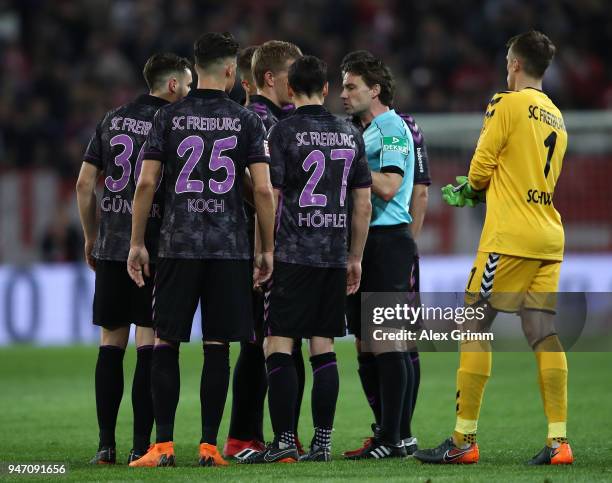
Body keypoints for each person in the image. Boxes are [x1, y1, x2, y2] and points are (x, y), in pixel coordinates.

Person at [413, 30, 573, 466]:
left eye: (508, 61)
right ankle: (559, 441)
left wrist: (472, 187)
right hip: (548, 235)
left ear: (516, 64)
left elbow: (482, 165)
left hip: (511, 236)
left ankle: (463, 440)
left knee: (472, 322)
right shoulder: (557, 116)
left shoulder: (506, 102)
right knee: (542, 332)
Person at [127, 32, 275, 468]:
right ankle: (210, 447)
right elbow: (263, 191)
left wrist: (137, 242)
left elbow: (147, 183)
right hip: (228, 249)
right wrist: (265, 248)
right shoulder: (247, 121)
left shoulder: (169, 118)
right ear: (231, 71)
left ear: (198, 66)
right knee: (217, 347)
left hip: (177, 245)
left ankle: (164, 447)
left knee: (166, 344)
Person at [241, 55, 372, 464]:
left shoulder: (283, 131)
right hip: (333, 256)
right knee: (323, 346)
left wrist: (265, 251)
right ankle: (323, 442)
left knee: (278, 343)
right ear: (327, 89)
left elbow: (273, 196)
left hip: (292, 254)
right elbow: (363, 204)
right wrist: (355, 257)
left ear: (291, 90)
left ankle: (282, 443)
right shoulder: (350, 132)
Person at [76, 53, 192, 464]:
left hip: (111, 246)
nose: (191, 92)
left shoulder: (112, 118)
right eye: (189, 85)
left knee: (110, 343)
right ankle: (141, 445)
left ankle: (105, 446)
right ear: (173, 85)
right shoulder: (176, 124)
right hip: (154, 247)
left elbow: (85, 183)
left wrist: (93, 235)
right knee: (149, 343)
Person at [340, 50, 430, 457]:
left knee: (388, 341)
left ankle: (397, 438)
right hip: (362, 241)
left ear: (374, 90)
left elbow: (391, 185)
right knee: (365, 343)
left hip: (388, 240)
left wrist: (346, 165)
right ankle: (386, 432)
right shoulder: (362, 129)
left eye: (350, 86)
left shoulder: (391, 127)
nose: (343, 94)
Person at [225, 40, 304, 460]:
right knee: (261, 343)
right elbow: (251, 183)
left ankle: (275, 435)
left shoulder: (280, 117)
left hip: (276, 245)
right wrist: (266, 238)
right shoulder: (255, 118)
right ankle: (245, 436)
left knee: (278, 343)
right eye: (294, 72)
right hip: (257, 247)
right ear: (271, 78)